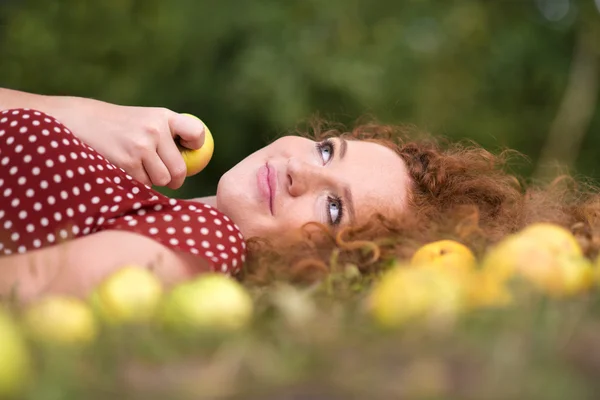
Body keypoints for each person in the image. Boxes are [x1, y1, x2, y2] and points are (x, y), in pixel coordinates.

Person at [1, 88, 599, 301]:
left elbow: (21, 289)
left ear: (330, 264)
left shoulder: (207, 243)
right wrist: (78, 112)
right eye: (325, 151)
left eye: (332, 206)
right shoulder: (144, 198)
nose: (299, 174)